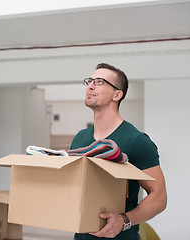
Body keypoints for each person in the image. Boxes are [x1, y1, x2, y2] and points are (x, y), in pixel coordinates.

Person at [71, 63, 167, 240]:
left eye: (100, 82)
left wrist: (124, 220)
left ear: (117, 94)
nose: (91, 86)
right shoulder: (80, 138)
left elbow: (159, 198)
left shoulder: (137, 140)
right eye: (90, 81)